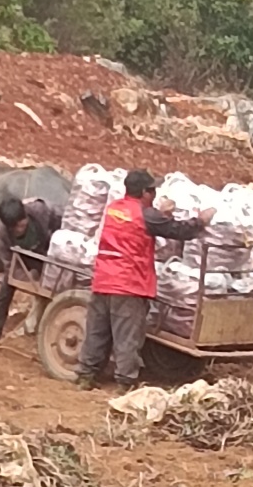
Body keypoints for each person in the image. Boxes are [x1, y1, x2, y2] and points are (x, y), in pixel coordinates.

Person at [75, 168, 214, 391]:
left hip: (103, 279)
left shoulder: (114, 209)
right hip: (128, 284)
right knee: (127, 336)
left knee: (97, 332)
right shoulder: (146, 215)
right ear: (145, 192)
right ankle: (125, 382)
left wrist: (161, 213)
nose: (155, 194)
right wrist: (200, 221)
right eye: (153, 190)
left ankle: (86, 376)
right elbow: (178, 230)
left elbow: (145, 224)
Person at [0, 196, 62, 342]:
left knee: (56, 287)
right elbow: (9, 265)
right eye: (17, 228)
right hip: (21, 259)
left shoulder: (40, 211)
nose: (21, 229)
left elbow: (60, 224)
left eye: (23, 225)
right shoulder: (3, 235)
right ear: (9, 227)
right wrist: (27, 279)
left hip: (45, 252)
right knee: (4, 292)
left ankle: (47, 326)